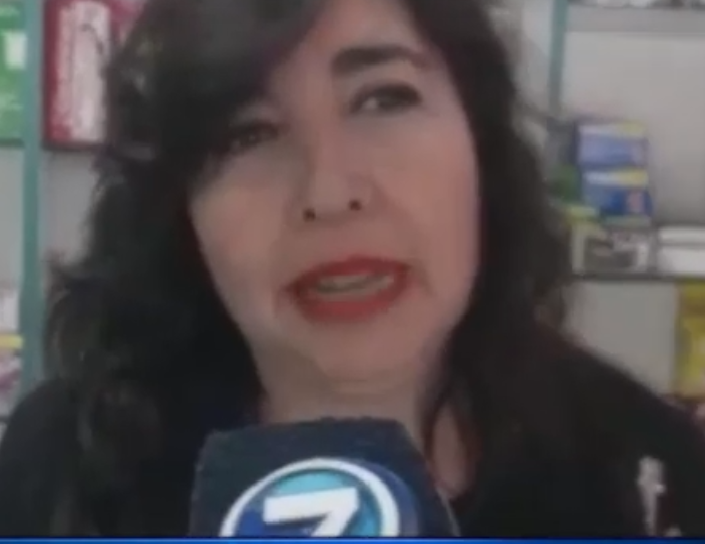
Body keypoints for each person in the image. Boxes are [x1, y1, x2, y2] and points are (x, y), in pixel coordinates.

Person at [0, 0, 704, 536]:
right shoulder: (62, 469)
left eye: (383, 99)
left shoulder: (646, 475)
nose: (330, 193)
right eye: (248, 133)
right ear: (180, 209)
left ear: (479, 141)